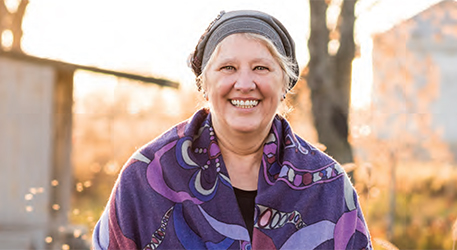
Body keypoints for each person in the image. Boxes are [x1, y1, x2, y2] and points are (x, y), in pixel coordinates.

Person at [92, 10, 372, 249]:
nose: (245, 83)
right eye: (228, 68)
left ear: (285, 83)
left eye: (261, 68)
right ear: (204, 83)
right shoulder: (145, 176)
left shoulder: (328, 185)